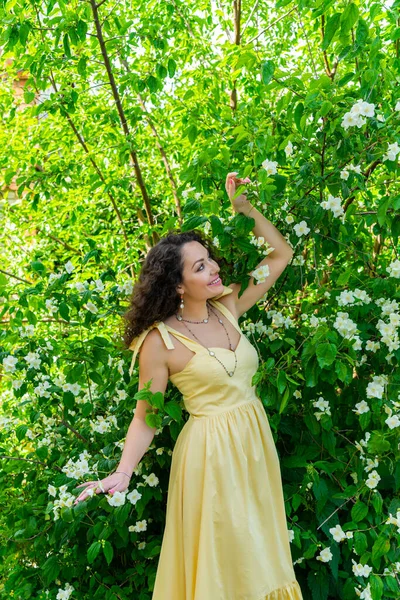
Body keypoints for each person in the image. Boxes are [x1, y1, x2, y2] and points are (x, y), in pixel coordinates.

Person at [74, 172, 303, 600]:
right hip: (210, 458)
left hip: (254, 445)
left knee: (262, 556)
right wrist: (123, 473)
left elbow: (281, 255)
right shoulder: (159, 342)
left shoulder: (228, 306)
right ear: (178, 285)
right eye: (200, 266)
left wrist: (246, 210)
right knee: (228, 565)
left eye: (210, 259)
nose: (214, 268)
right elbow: (147, 418)